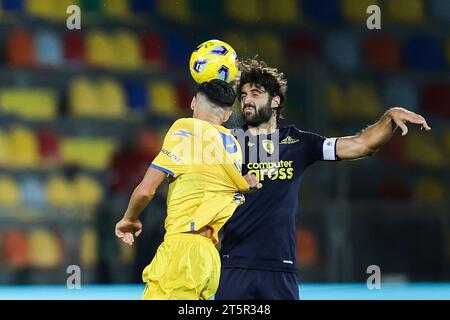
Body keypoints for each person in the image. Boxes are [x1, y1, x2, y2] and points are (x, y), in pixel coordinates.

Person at [216, 59, 431, 300]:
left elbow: (361, 145)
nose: (246, 100)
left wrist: (389, 117)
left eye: (255, 93)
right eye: (243, 95)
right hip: (234, 264)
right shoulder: (227, 142)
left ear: (275, 101)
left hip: (280, 267)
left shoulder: (299, 143)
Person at [114, 79, 262, 300]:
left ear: (193, 103)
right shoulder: (233, 145)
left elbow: (146, 191)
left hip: (182, 252)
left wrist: (129, 218)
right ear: (227, 115)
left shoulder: (184, 128)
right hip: (209, 257)